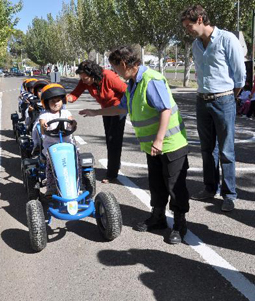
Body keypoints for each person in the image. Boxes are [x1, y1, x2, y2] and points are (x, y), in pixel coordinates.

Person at [80, 45, 190, 244]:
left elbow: (165, 110)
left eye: (115, 68)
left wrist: (158, 139)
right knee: (156, 184)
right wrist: (95, 112)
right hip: (153, 147)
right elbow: (121, 108)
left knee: (175, 186)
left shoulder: (151, 80)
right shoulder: (132, 83)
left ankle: (180, 225)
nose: (114, 72)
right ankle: (158, 218)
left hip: (171, 144)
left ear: (124, 64)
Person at [181, 5, 246, 212]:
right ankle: (210, 187)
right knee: (207, 149)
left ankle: (229, 194)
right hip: (202, 100)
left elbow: (240, 76)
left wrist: (228, 98)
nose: (188, 30)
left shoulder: (227, 39)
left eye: (189, 25)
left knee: (226, 150)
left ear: (200, 19)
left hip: (224, 100)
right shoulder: (196, 45)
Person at [66, 60, 127, 183]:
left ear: (94, 74)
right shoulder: (86, 81)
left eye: (85, 78)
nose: (83, 81)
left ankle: (112, 174)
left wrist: (127, 107)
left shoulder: (109, 77)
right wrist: (61, 98)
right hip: (105, 110)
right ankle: (115, 164)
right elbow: (74, 95)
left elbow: (127, 90)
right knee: (109, 140)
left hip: (118, 109)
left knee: (113, 139)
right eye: (81, 78)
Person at [39, 84, 78, 194]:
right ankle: (51, 187)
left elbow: (72, 121)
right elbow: (42, 127)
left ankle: (77, 184)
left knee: (77, 160)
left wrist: (73, 123)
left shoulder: (66, 113)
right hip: (51, 145)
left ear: (62, 101)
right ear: (46, 103)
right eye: (52, 101)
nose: (56, 103)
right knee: (51, 164)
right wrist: (44, 126)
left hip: (67, 143)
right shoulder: (44, 115)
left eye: (58, 100)